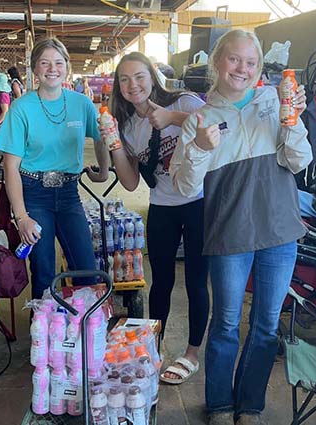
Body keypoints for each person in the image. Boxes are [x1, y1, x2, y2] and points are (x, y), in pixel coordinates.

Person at [170, 29, 312, 425]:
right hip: (231, 235)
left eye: (251, 62)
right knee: (227, 323)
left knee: (267, 326)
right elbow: (184, 186)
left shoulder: (274, 101)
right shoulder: (199, 119)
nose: (243, 69)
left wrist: (293, 123)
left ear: (259, 66)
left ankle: (249, 405)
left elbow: (300, 161)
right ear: (217, 62)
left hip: (280, 232)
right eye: (234, 59)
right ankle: (218, 404)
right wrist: (199, 147)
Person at [103, 51, 209, 385]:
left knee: (196, 279)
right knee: (160, 281)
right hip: (162, 205)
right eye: (124, 79)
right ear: (118, 87)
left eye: (139, 76)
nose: (133, 85)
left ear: (152, 77)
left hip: (199, 202)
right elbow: (132, 181)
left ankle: (192, 353)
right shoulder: (128, 125)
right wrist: (114, 144)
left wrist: (172, 118)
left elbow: (218, 127)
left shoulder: (187, 102)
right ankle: (156, 347)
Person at [0, 38, 109, 300]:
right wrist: (22, 217)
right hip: (34, 193)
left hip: (69, 194)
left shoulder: (82, 104)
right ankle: (44, 333)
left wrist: (103, 171)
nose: (52, 68)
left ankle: (83, 330)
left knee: (87, 271)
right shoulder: (22, 108)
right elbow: (10, 166)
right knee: (44, 271)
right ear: (35, 69)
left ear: (67, 67)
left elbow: (100, 137)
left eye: (58, 62)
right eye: (44, 63)